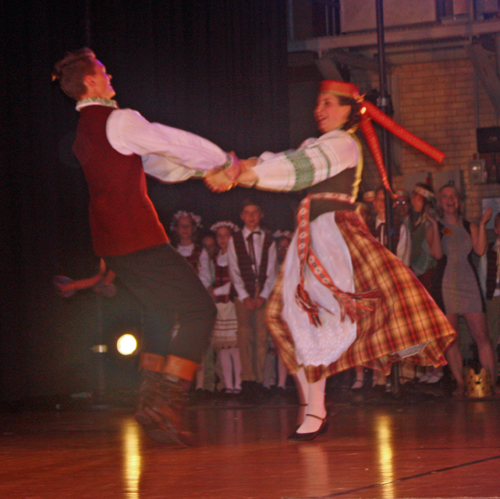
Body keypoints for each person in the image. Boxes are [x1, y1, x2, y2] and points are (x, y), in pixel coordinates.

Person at [207, 80, 457, 440]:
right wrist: (233, 168)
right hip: (312, 235)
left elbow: (298, 170)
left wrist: (242, 175)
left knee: (314, 317)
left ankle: (315, 410)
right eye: (318, 103)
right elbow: (278, 161)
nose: (318, 110)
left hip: (331, 235)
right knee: (291, 319)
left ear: (347, 110)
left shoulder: (342, 145)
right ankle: (314, 408)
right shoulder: (322, 144)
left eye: (327, 103)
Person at [52, 48, 228, 445]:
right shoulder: (118, 120)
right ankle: (166, 404)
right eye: (102, 71)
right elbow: (169, 141)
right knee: (200, 309)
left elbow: (156, 162)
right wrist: (222, 160)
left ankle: (148, 402)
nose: (109, 74)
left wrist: (204, 170)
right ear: (91, 82)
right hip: (137, 237)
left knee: (161, 311)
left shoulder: (86, 130)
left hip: (113, 243)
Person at [426, 184, 497, 395]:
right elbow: (438, 255)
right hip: (447, 285)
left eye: (453, 196)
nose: (450, 200)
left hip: (468, 283)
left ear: (459, 200)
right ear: (440, 203)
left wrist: (483, 225)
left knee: (482, 336)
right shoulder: (433, 228)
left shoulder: (470, 226)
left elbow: (481, 250)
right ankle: (459, 383)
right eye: (445, 196)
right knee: (452, 339)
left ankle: (492, 384)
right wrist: (434, 225)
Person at [226, 199, 278, 398]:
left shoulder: (268, 239)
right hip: (244, 295)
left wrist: (263, 296)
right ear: (241, 216)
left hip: (262, 294)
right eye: (247, 213)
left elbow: (272, 270)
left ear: (261, 214)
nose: (251, 217)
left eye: (255, 212)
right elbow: (233, 269)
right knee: (245, 333)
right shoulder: (235, 239)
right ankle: (247, 379)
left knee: (261, 337)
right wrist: (245, 296)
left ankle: (259, 380)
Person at [209, 221, 242, 395]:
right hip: (219, 307)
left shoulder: (236, 256)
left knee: (235, 347)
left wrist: (217, 291)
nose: (222, 239)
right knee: (223, 348)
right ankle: (228, 385)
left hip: (231, 304)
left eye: (226, 235)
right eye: (219, 235)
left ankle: (239, 384)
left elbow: (236, 281)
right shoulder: (213, 257)